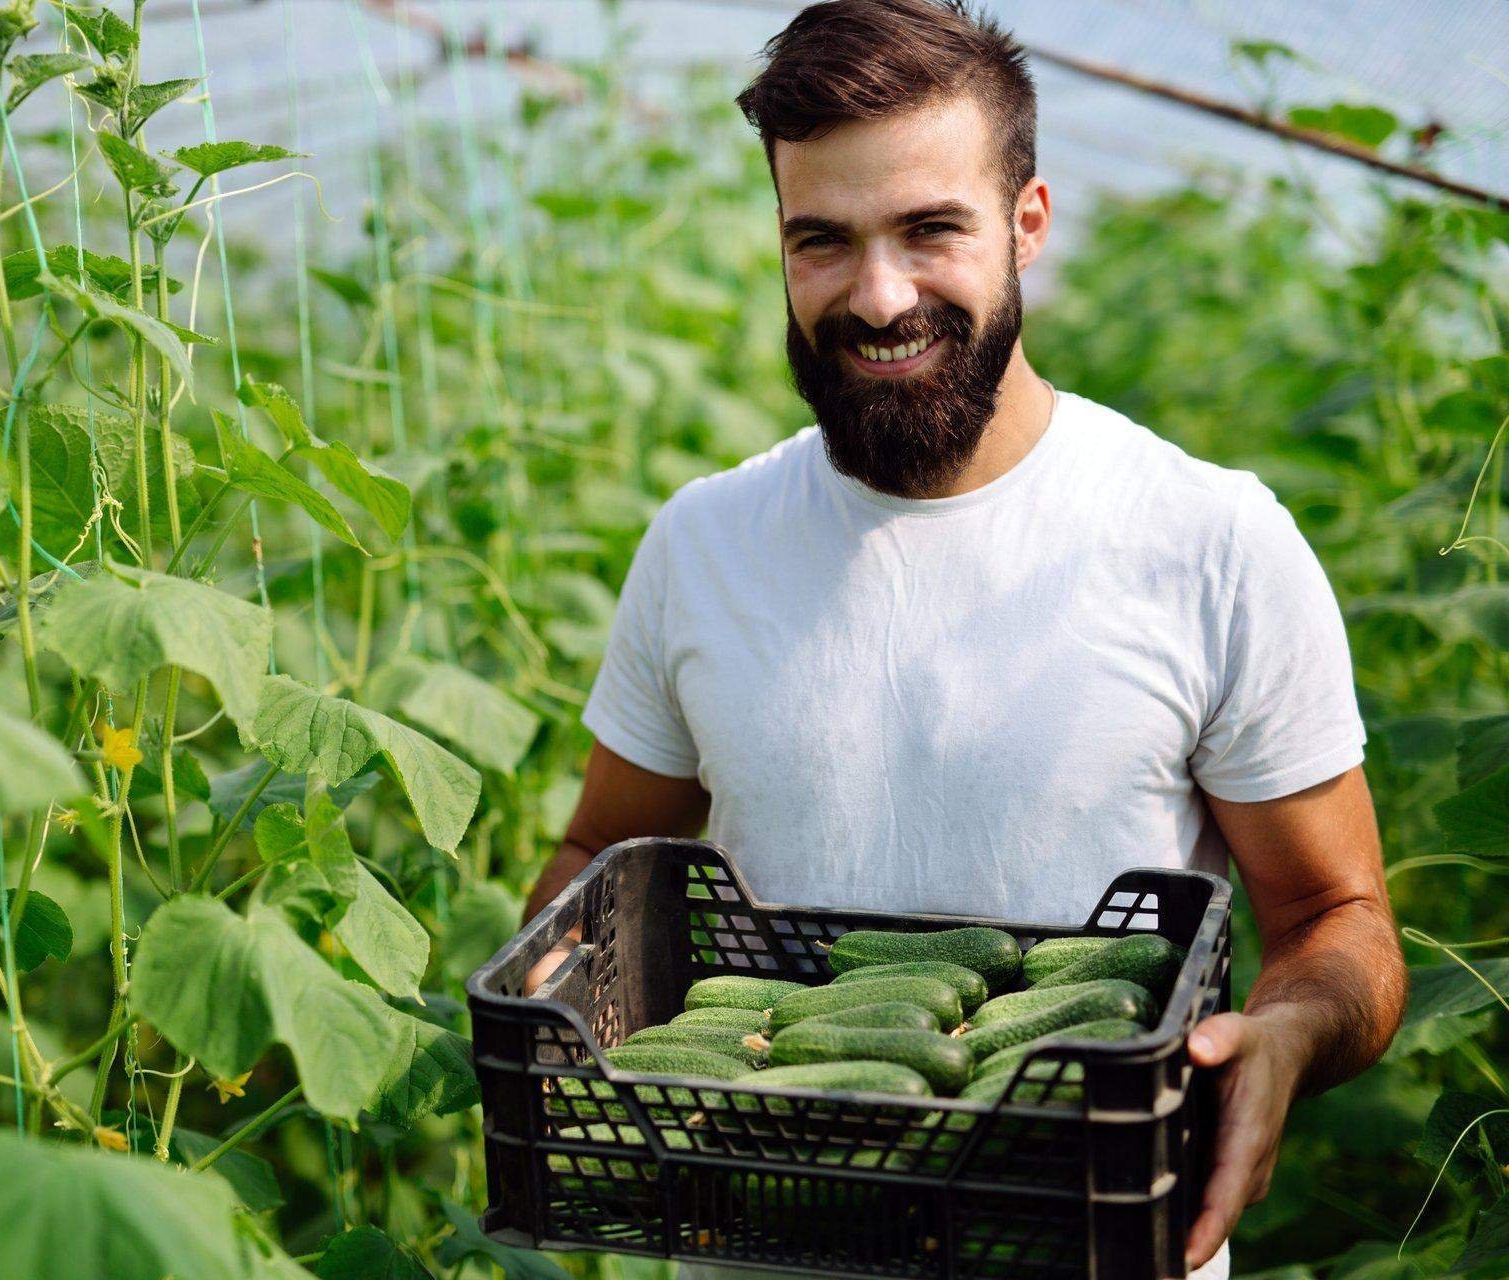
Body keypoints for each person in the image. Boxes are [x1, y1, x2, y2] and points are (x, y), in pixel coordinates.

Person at [518, 3, 1406, 1277]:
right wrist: (559, 1007)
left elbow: (1340, 915)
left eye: (930, 230)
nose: (879, 297)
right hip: (759, 1237)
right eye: (822, 241)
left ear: (1027, 222)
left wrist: (1288, 1032)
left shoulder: (1210, 539)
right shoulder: (701, 543)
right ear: (779, 243)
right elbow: (605, 845)